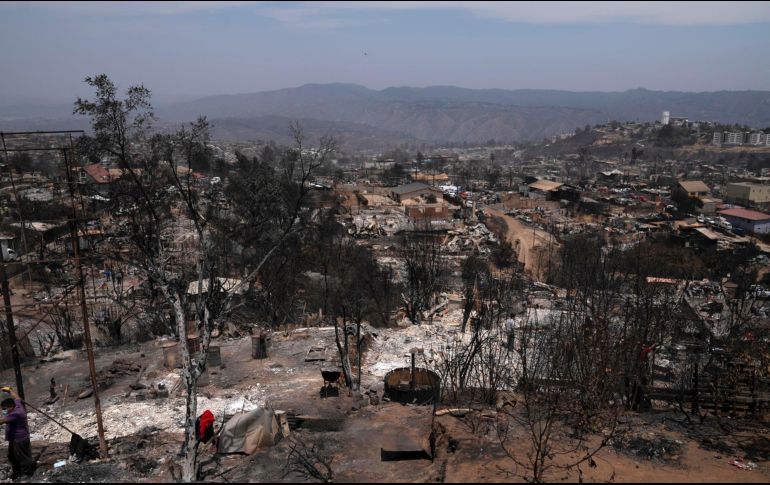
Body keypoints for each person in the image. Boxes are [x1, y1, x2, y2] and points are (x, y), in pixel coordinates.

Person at [0, 387, 35, 479]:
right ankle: (17, 472)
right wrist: (9, 390)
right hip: (16, 438)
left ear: (11, 407)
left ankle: (27, 474)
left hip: (19, 439)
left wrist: (4, 415)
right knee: (11, 456)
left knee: (22, 457)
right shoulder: (17, 404)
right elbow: (17, 397)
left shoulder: (15, 414)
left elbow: (2, 421)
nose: (3, 411)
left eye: (5, 409)